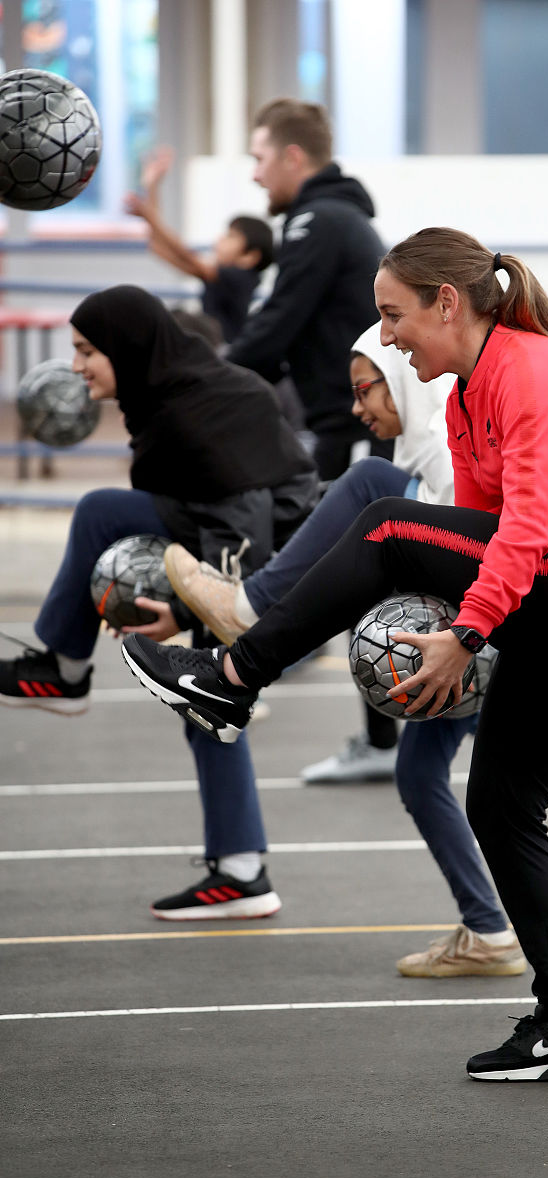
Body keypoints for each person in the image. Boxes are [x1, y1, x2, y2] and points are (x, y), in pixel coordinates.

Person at [122, 226, 548, 1080]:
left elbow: (520, 535)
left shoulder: (532, 371)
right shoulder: (462, 402)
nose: (384, 336)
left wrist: (466, 635)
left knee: (384, 522)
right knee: (501, 807)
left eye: (392, 315)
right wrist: (455, 633)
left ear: (447, 302)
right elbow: (481, 540)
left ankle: (231, 678)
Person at [163, 319, 525, 976]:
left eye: (367, 391)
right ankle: (490, 933)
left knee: (365, 485)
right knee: (420, 778)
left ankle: (246, 608)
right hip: (470, 646)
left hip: (483, 642)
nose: (358, 408)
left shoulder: (442, 458)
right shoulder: (431, 458)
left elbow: (468, 560)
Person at [0, 285, 318, 921]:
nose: (77, 366)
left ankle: (64, 672)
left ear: (127, 347)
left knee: (206, 700)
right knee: (203, 709)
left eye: (89, 350)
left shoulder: (204, 410)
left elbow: (246, 538)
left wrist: (188, 610)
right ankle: (241, 871)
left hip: (266, 561)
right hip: (216, 536)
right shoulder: (165, 397)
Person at [225, 98, 389, 482]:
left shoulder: (317, 221)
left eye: (259, 159)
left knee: (335, 539)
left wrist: (212, 376)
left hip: (353, 423)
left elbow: (279, 319)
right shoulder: (333, 216)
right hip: (342, 419)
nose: (256, 175)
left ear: (292, 158)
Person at [125, 147, 274, 344]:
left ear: (250, 257)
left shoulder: (241, 277)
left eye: (231, 236)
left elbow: (186, 255)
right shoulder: (216, 276)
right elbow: (158, 246)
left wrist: (150, 216)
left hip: (224, 355)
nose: (220, 239)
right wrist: (152, 186)